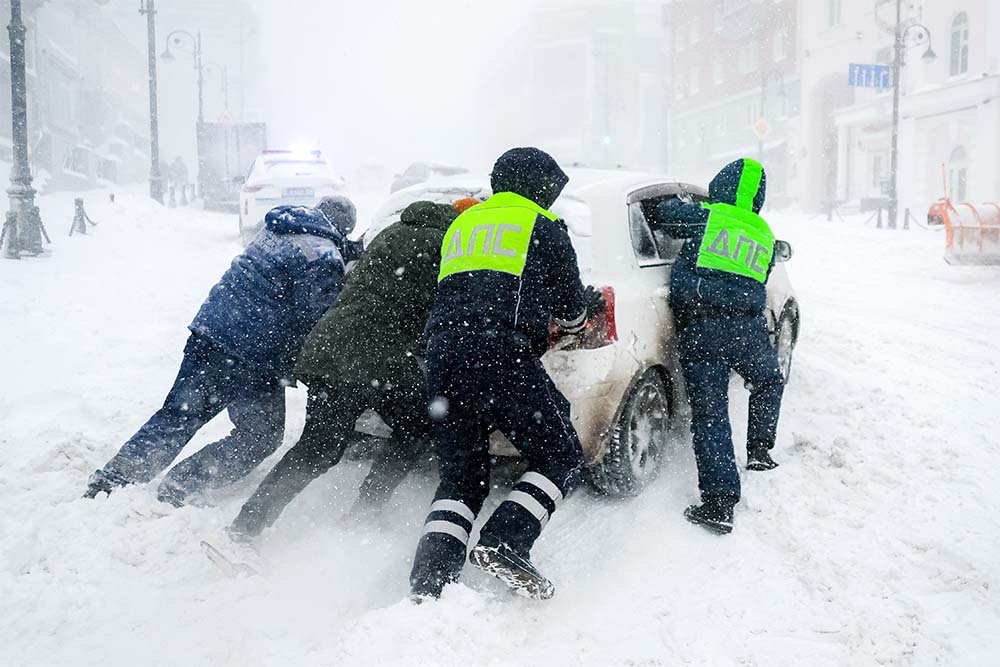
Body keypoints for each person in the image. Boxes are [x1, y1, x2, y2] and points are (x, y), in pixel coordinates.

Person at [408, 147, 603, 601]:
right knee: (561, 456)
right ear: (542, 188)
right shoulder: (544, 228)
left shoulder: (462, 223)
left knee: (462, 476)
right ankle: (506, 542)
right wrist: (579, 312)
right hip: (500, 354)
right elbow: (572, 313)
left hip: (442, 355)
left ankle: (429, 582)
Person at [84, 203, 355, 506]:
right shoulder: (325, 257)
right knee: (259, 436)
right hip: (254, 355)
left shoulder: (281, 228)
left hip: (211, 331)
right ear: (344, 229)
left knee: (179, 414)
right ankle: (182, 483)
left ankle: (113, 480)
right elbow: (317, 319)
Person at [228, 200, 459, 538]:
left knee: (317, 447)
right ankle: (367, 509)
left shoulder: (392, 232)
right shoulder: (446, 247)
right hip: (378, 355)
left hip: (330, 344)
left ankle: (246, 525)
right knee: (417, 425)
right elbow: (436, 312)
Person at [650, 157, 784, 535]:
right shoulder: (763, 233)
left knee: (710, 414)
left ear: (722, 184)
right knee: (769, 381)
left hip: (703, 327)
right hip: (747, 329)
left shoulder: (707, 215)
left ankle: (720, 502)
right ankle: (759, 450)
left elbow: (663, 215)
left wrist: (685, 203)